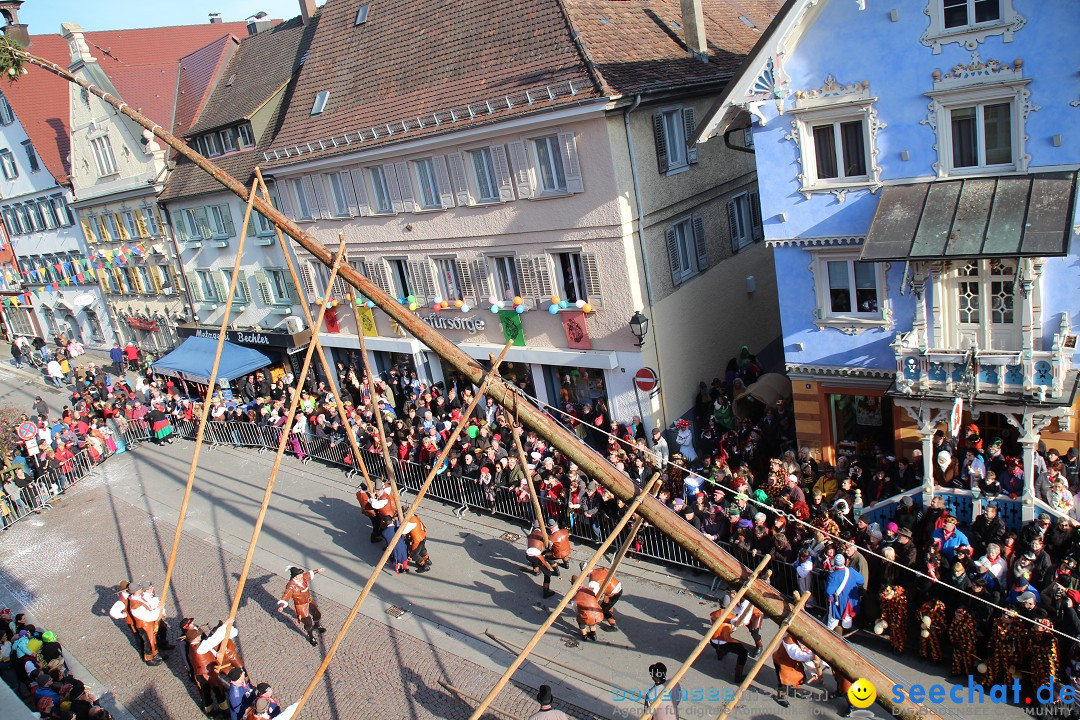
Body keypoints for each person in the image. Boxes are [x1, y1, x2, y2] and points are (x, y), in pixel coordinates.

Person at [277, 567, 327, 647]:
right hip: (301, 606)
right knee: (308, 622)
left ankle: (317, 625)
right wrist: (282, 605)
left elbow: (308, 574)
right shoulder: (291, 585)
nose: (301, 576)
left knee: (317, 614)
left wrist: (317, 571)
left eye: (301, 574)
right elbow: (286, 595)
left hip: (308, 601)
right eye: (299, 575)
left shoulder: (302, 578)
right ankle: (311, 636)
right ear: (295, 576)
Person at [825, 554, 863, 632]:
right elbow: (861, 581)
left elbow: (829, 591)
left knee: (833, 620)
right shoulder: (851, 571)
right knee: (848, 618)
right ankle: (846, 635)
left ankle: (830, 634)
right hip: (850, 600)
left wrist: (830, 598)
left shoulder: (833, 575)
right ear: (844, 562)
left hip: (839, 601)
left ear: (835, 563)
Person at [526, 523, 558, 599]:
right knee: (547, 573)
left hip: (528, 555)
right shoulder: (543, 535)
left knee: (535, 561)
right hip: (536, 556)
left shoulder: (529, 535)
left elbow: (528, 546)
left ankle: (536, 570)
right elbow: (549, 545)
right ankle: (546, 592)